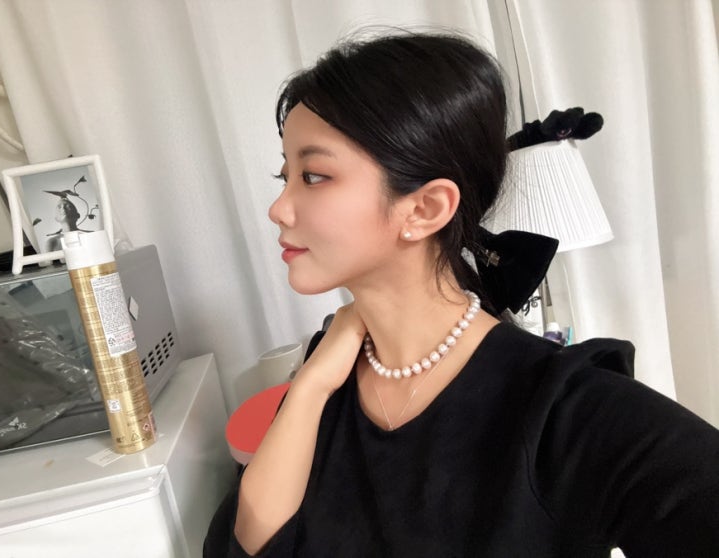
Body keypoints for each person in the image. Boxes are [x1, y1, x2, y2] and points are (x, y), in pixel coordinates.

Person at [204, 31, 719, 557]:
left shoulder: (563, 410)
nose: (278, 208)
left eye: (313, 176)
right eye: (285, 175)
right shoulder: (328, 370)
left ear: (425, 209)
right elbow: (244, 547)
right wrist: (311, 385)